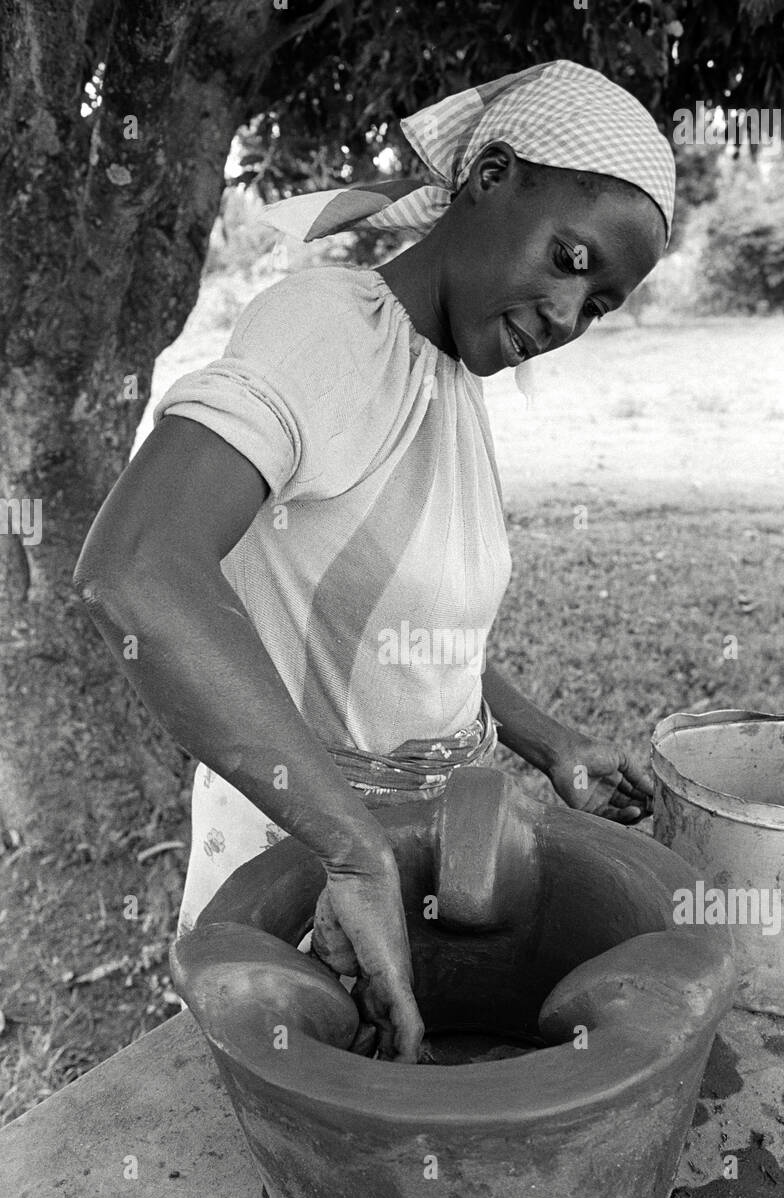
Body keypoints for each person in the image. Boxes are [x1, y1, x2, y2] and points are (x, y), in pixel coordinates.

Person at [74, 59, 675, 1063]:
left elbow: (404, 630)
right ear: (488, 176)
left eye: (600, 304)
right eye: (569, 257)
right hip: (305, 847)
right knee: (314, 1131)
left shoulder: (446, 376)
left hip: (417, 846)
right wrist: (351, 852)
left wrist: (549, 742)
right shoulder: (331, 332)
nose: (569, 315)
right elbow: (136, 566)